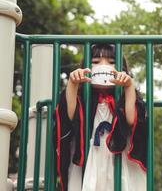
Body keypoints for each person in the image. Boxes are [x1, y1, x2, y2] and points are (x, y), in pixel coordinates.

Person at [54, 44, 147, 191]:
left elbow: (132, 119)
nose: (104, 67)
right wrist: (73, 83)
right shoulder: (83, 96)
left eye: (111, 63)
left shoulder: (124, 95)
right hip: (90, 155)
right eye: (96, 62)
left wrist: (129, 86)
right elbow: (70, 115)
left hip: (118, 156)